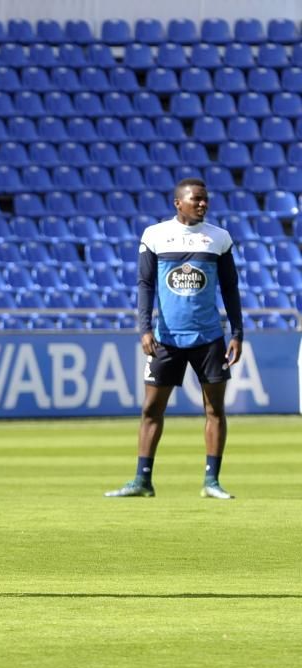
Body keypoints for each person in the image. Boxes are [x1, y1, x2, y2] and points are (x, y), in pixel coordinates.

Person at [106, 177, 243, 500]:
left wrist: (237, 332)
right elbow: (145, 284)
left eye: (205, 199)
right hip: (165, 339)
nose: (203, 204)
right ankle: (142, 480)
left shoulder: (219, 238)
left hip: (210, 337)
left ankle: (212, 481)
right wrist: (144, 328)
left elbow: (230, 286)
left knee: (215, 409)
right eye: (196, 199)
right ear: (177, 203)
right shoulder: (155, 236)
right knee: (151, 409)